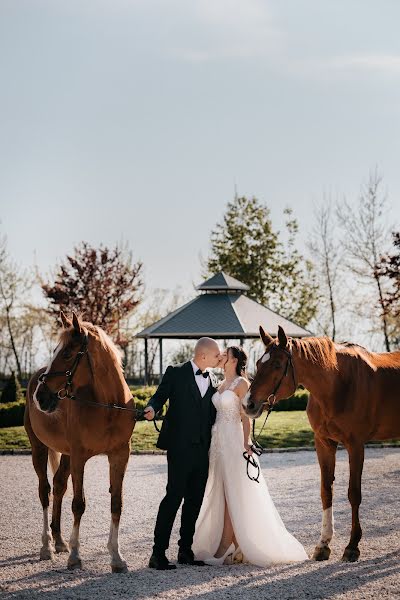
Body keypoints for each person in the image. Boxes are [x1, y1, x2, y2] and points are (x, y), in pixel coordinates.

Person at [192, 346, 308, 566]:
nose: (222, 356)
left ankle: (225, 546)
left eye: (226, 354)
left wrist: (246, 442)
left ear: (234, 360)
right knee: (221, 491)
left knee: (231, 492)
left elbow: (246, 417)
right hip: (218, 441)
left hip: (233, 441)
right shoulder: (220, 385)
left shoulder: (242, 384)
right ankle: (234, 543)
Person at [144, 337, 222, 570]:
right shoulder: (176, 372)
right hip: (179, 448)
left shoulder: (214, 378)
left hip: (203, 449)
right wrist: (151, 408)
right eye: (217, 355)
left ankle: (185, 550)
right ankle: (157, 553)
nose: (220, 358)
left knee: (194, 501)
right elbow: (160, 395)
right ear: (204, 356)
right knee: (173, 498)